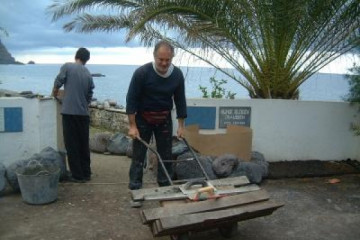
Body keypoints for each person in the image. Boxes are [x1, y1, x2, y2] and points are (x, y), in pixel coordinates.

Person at [126, 40, 187, 193]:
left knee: (166, 154)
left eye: (168, 60)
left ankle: (165, 187)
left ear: (172, 58)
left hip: (164, 119)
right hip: (143, 118)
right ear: (154, 56)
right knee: (138, 155)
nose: (164, 63)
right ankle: (135, 188)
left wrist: (181, 126)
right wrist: (132, 126)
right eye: (161, 59)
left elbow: (180, 101)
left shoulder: (177, 75)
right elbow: (131, 100)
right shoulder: (142, 73)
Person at [52, 47, 95, 183]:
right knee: (83, 144)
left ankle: (77, 175)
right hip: (83, 114)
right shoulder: (88, 73)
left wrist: (55, 93)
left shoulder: (67, 66)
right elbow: (89, 94)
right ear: (87, 60)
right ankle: (86, 173)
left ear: (76, 56)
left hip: (69, 112)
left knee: (72, 144)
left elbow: (59, 81)